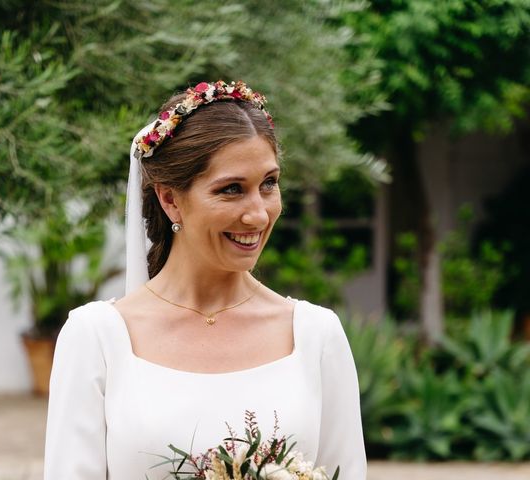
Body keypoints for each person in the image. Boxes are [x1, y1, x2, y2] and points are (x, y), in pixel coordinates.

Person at [44, 80, 367, 480]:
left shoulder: (317, 335)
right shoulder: (95, 338)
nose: (259, 214)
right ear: (170, 199)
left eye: (268, 184)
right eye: (231, 190)